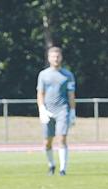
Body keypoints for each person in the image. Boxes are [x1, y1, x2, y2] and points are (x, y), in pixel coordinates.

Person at [36, 46, 76, 176]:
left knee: (62, 138)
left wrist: (73, 112)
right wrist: (42, 109)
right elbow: (40, 94)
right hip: (48, 111)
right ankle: (51, 165)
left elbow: (71, 94)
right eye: (53, 56)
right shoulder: (43, 75)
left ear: (61, 57)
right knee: (47, 142)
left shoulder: (68, 75)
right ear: (49, 58)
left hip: (62, 110)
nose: (56, 59)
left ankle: (63, 169)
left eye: (58, 56)